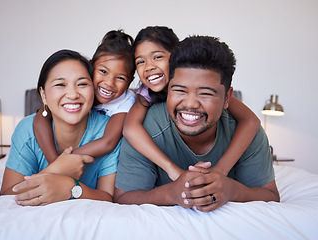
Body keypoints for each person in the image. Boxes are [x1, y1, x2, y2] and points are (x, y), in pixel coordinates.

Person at [114, 35, 280, 212]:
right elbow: (123, 198)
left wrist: (231, 190)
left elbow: (270, 195)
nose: (190, 103)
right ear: (168, 89)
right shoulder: (146, 129)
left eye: (205, 93)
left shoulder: (244, 130)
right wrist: (172, 193)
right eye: (179, 90)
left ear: (227, 98)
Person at [123, 26, 260, 181]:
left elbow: (251, 121)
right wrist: (171, 168)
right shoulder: (145, 94)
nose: (149, 67)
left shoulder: (214, 93)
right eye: (140, 61)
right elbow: (130, 129)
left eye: (157, 57)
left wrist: (221, 169)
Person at [0, 49, 121, 206]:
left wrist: (71, 188)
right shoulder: (27, 129)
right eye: (60, 84)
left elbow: (108, 198)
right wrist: (57, 170)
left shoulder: (109, 130)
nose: (72, 94)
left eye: (83, 84)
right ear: (43, 95)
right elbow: (7, 196)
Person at [33, 30, 136, 164]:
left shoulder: (126, 101)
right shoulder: (80, 93)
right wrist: (54, 161)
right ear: (91, 67)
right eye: (103, 71)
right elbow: (41, 117)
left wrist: (64, 160)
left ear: (130, 81)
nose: (109, 83)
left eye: (120, 78)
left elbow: (108, 142)